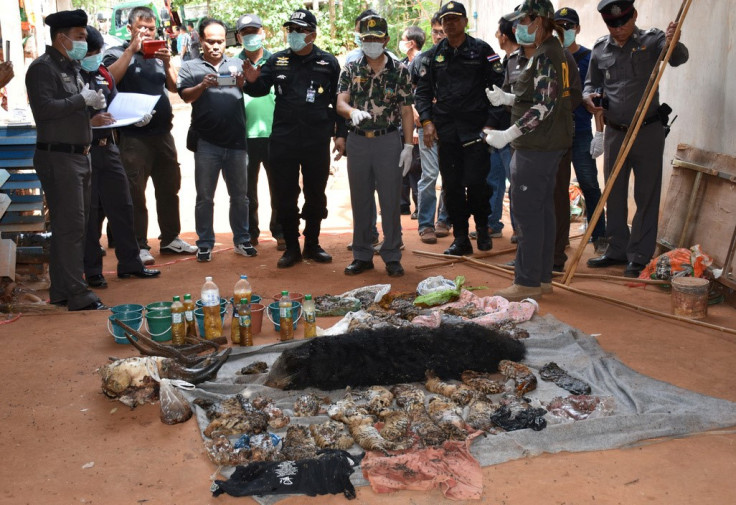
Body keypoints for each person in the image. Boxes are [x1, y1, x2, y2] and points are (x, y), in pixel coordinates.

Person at [585, 0, 688, 278]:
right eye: (612, 24)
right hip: (615, 132)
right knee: (613, 193)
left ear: (634, 16)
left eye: (624, 22)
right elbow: (590, 84)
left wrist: (673, 42)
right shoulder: (599, 49)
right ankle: (617, 248)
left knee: (646, 193)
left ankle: (639, 255)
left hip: (647, 131)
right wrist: (588, 99)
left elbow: (677, 58)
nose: (619, 29)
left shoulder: (653, 40)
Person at [244, 9, 347, 268]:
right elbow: (258, 89)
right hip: (283, 140)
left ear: (312, 33)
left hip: (316, 140)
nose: (294, 34)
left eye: (300, 30)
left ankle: (312, 244)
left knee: (315, 194)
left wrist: (341, 134)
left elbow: (341, 102)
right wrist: (250, 81)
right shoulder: (277, 60)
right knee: (285, 196)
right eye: (291, 29)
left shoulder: (328, 62)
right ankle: (291, 247)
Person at [485, 0, 574, 301]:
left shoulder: (547, 54)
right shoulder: (551, 51)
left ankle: (527, 281)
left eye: (524, 21)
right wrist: (507, 99)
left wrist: (508, 133)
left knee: (526, 214)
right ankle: (542, 277)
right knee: (543, 211)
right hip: (548, 145)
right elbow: (539, 94)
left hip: (537, 147)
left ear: (539, 20)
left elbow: (544, 106)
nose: (519, 27)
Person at [26, 9, 106, 310]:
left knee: (73, 226)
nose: (84, 43)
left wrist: (90, 108)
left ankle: (61, 289)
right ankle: (77, 292)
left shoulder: (71, 67)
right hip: (58, 157)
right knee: (71, 227)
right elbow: (44, 109)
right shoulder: (42, 68)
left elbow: (69, 108)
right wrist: (80, 101)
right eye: (80, 37)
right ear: (62, 38)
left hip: (79, 155)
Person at [103, 6, 197, 266]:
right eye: (141, 27)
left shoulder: (158, 54)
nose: (147, 32)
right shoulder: (116, 53)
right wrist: (131, 50)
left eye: (151, 28)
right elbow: (110, 80)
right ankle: (139, 245)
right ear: (130, 28)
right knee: (135, 192)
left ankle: (170, 238)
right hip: (133, 137)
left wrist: (168, 63)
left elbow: (173, 87)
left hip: (162, 134)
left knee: (169, 187)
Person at [415, 1, 505, 256]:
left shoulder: (482, 51)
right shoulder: (433, 56)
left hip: (477, 132)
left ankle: (483, 227)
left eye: (455, 19)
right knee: (452, 186)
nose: (450, 23)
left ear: (465, 22)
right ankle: (461, 238)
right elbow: (422, 93)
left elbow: (498, 90)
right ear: (441, 25)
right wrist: (427, 122)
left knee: (477, 184)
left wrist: (490, 125)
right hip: (447, 133)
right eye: (446, 20)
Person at [80, 25, 161, 288]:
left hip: (109, 147)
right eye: (91, 52)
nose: (94, 56)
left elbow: (114, 105)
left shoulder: (102, 73)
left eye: (97, 51)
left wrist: (135, 118)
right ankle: (92, 271)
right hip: (85, 151)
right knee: (91, 213)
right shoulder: (71, 76)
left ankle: (130, 263)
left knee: (123, 206)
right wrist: (88, 120)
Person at [337, 15, 414, 277]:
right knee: (360, 200)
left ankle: (392, 254)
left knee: (391, 199)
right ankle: (362, 254)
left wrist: (408, 146)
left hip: (388, 141)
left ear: (386, 39)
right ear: (361, 39)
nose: (371, 42)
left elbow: (406, 111)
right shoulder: (350, 67)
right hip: (358, 141)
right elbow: (340, 102)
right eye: (366, 38)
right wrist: (351, 113)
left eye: (376, 38)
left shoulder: (400, 70)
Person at [177, 18, 256, 262]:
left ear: (226, 41)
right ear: (201, 41)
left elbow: (253, 89)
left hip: (236, 142)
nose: (215, 46)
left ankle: (242, 240)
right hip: (206, 143)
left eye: (220, 41)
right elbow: (185, 96)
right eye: (210, 41)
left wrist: (245, 81)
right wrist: (202, 85)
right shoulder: (190, 67)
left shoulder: (238, 64)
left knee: (240, 197)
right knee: (204, 197)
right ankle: (205, 243)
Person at [555, 7, 607, 256]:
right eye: (558, 26)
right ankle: (558, 239)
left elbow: (598, 99)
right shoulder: (548, 56)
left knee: (588, 183)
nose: (563, 30)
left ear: (577, 29)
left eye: (568, 26)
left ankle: (599, 235)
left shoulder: (589, 57)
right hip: (554, 132)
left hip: (581, 131)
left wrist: (600, 133)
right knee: (556, 186)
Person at [236, 13, 285, 251]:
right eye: (246, 33)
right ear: (238, 37)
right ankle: (250, 234)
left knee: (279, 186)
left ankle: (281, 231)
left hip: (274, 134)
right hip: (244, 136)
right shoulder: (233, 64)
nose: (251, 37)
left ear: (263, 33)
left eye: (254, 32)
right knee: (246, 192)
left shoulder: (276, 61)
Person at [411, 12, 451, 244]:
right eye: (436, 31)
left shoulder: (459, 59)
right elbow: (410, 94)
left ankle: (444, 220)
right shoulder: (421, 60)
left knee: (450, 176)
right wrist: (420, 117)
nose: (439, 36)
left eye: (443, 32)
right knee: (429, 175)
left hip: (451, 128)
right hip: (426, 127)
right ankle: (425, 224)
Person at [485, 16, 519, 241]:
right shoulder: (505, 60)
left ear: (504, 36)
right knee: (493, 180)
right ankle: (492, 223)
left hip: (513, 132)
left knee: (515, 182)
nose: (497, 36)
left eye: (498, 32)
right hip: (497, 131)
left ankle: (520, 229)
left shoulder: (524, 60)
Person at [398, 25, 423, 219]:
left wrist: (417, 126)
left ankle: (419, 206)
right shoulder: (402, 64)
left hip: (418, 122)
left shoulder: (425, 62)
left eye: (403, 38)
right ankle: (402, 204)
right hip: (401, 123)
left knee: (416, 166)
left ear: (411, 42)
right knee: (401, 165)